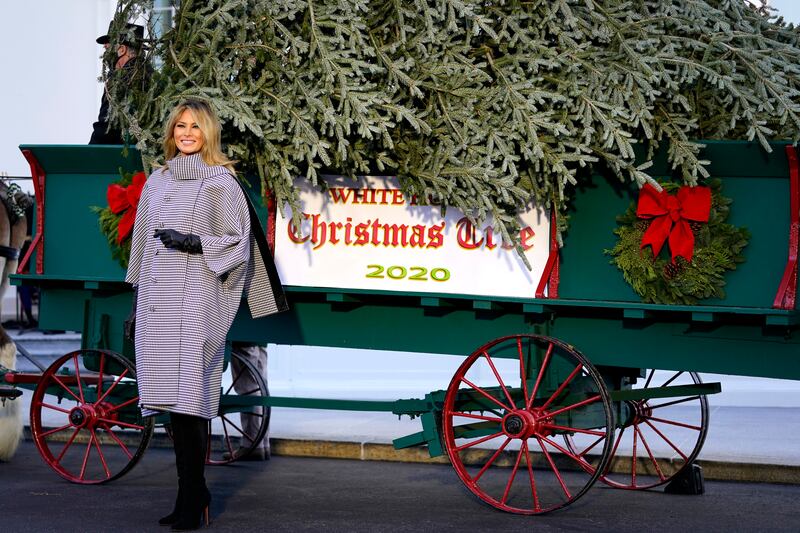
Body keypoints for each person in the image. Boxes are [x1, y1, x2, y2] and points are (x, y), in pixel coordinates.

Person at [125, 99, 287, 530]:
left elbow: (238, 243)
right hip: (156, 301)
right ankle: (190, 493)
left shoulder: (222, 182)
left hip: (197, 300)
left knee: (190, 400)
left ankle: (193, 495)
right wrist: (134, 305)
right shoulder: (157, 181)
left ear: (208, 132)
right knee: (168, 402)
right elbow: (140, 246)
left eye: (195, 126)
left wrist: (193, 242)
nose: (187, 133)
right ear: (171, 131)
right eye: (180, 125)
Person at [89, 22, 144, 145]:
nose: (105, 55)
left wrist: (89, 153)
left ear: (122, 49)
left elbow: (106, 127)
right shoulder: (149, 75)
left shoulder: (120, 82)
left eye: (107, 49)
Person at [225, 343, 271, 461]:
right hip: (261, 337)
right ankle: (262, 443)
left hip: (244, 340)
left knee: (248, 386)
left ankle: (251, 444)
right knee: (260, 386)